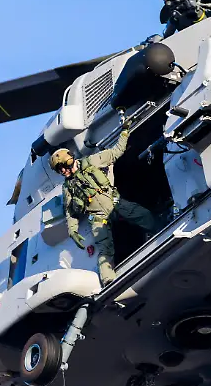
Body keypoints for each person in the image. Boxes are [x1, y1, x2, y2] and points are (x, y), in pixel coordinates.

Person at [49, 117, 159, 287]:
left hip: (114, 202)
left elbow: (116, 152)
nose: (63, 171)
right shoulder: (67, 187)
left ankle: (160, 230)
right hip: (98, 216)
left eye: (63, 167)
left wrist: (124, 131)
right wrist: (72, 230)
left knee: (143, 215)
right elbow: (70, 211)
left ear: (69, 161)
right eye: (59, 170)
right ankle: (108, 280)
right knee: (104, 248)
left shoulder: (92, 161)